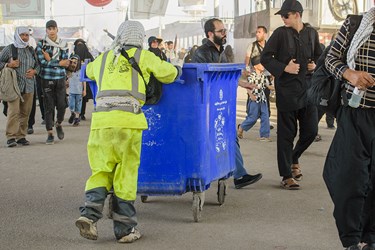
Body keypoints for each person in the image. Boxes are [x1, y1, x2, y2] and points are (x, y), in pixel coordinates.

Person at [75, 20, 181, 243]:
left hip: (101, 124)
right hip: (128, 123)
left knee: (101, 171)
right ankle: (124, 230)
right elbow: (169, 74)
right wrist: (176, 68)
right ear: (140, 38)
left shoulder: (104, 58)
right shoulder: (144, 56)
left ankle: (89, 216)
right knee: (126, 174)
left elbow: (89, 72)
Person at [323, 8, 375, 250]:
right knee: (348, 179)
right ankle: (352, 239)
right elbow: (331, 58)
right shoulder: (356, 23)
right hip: (356, 114)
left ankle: (370, 238)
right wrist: (350, 74)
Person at [191, 17, 262, 189]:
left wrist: (244, 84)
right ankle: (235, 174)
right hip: (207, 106)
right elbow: (207, 79)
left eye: (225, 31)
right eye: (221, 31)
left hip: (218, 104)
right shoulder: (202, 53)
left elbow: (224, 75)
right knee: (220, 138)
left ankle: (239, 174)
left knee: (229, 135)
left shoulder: (220, 51)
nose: (224, 34)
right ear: (210, 34)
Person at [261, 0, 322, 189]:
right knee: (287, 134)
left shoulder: (312, 33)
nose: (283, 19)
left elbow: (320, 56)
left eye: (286, 15)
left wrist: (316, 65)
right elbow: (265, 58)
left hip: (308, 91)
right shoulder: (280, 34)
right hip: (287, 91)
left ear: (297, 14)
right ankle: (286, 175)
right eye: (282, 16)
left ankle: (294, 156)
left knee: (311, 131)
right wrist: (284, 67)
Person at [0, 27, 39, 147]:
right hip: (14, 86)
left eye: (26, 35)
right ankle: (11, 137)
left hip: (29, 86)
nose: (24, 37)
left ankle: (21, 136)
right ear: (17, 35)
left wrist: (34, 71)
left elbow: (38, 65)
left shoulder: (31, 50)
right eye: (22, 35)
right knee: (13, 112)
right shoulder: (10, 49)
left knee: (25, 112)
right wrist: (8, 64)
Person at [36, 20, 70, 145]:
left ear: (57, 29)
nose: (51, 31)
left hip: (60, 78)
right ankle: (50, 133)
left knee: (62, 105)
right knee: (49, 107)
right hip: (46, 78)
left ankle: (59, 123)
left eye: (53, 28)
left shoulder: (64, 44)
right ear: (46, 30)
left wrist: (50, 60)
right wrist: (57, 63)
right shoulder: (41, 44)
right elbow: (42, 62)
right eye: (49, 29)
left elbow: (65, 62)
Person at [237, 57, 272, 142]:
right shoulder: (251, 76)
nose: (263, 66)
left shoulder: (264, 76)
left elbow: (268, 86)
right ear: (256, 66)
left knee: (265, 116)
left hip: (263, 99)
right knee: (253, 117)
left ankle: (264, 136)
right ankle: (241, 127)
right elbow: (248, 86)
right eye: (261, 64)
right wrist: (251, 95)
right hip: (254, 99)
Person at [245, 26, 273, 128]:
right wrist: (248, 73)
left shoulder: (269, 46)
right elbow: (247, 61)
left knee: (265, 98)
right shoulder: (252, 46)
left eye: (259, 32)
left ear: (264, 34)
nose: (257, 34)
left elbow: (272, 60)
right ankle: (249, 118)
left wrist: (272, 74)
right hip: (254, 77)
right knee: (252, 98)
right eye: (256, 32)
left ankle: (265, 120)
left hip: (266, 76)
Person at [74, 38, 94, 121]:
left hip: (86, 79)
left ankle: (82, 114)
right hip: (76, 79)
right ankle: (76, 113)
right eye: (78, 46)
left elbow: (93, 64)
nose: (80, 48)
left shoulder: (89, 56)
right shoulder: (73, 56)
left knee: (84, 97)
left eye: (81, 45)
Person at [67, 54, 85, 126]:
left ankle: (77, 119)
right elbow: (67, 80)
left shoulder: (81, 71)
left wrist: (84, 90)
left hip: (79, 91)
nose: (74, 64)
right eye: (72, 62)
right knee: (71, 105)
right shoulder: (69, 71)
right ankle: (73, 114)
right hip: (71, 91)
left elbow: (84, 81)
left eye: (75, 62)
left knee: (78, 106)